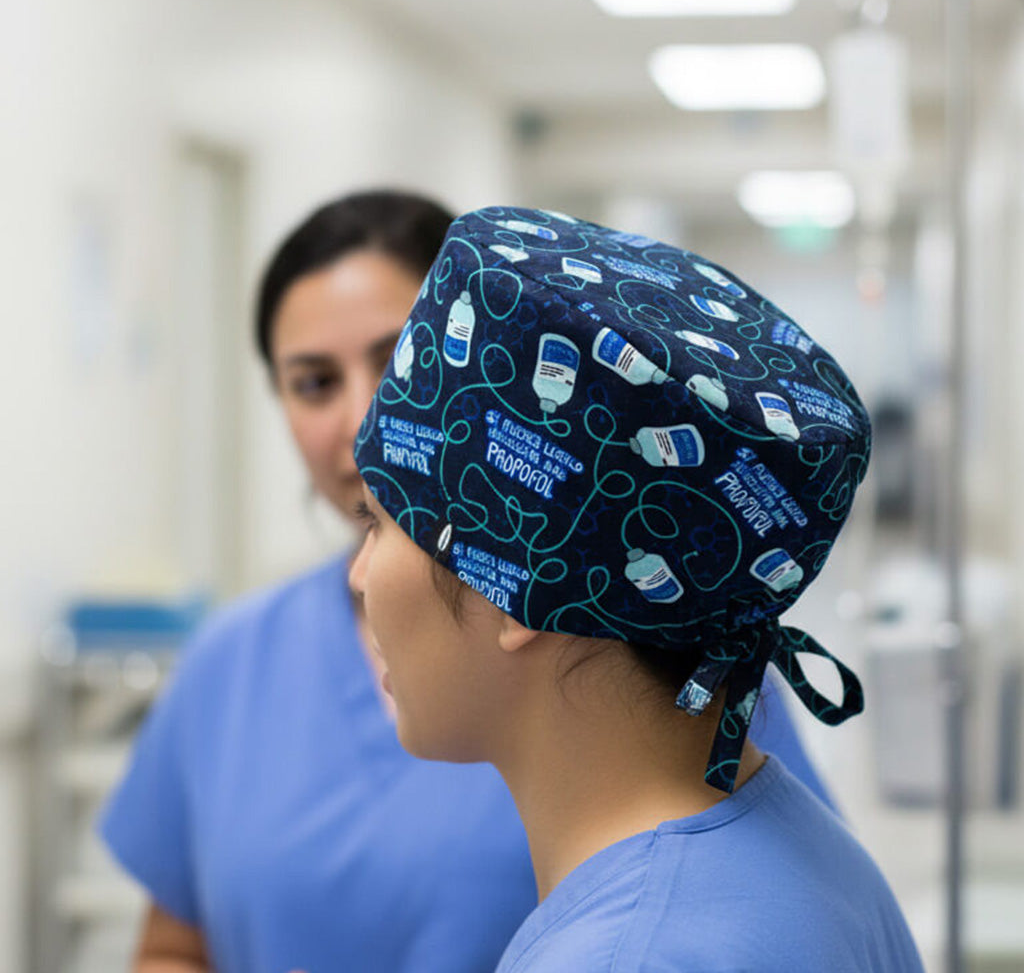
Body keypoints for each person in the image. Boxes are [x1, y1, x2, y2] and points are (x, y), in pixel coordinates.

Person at [100, 192, 833, 973]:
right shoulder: (229, 663)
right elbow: (171, 945)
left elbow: (751, 903)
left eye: (394, 363)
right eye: (314, 382)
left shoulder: (670, 678)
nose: (360, 419)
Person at [349, 205, 925, 972]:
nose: (358, 576)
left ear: (513, 585)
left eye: (377, 522)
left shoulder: (631, 951)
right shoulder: (796, 850)